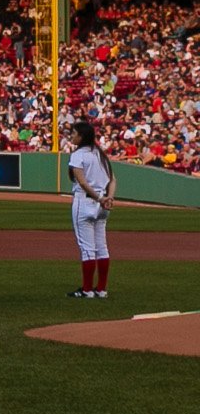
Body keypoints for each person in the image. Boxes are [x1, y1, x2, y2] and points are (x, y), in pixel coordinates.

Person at [67, 120, 114, 299]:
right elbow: (113, 179)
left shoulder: (78, 155)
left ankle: (87, 290)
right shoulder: (100, 154)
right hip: (103, 203)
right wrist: (109, 197)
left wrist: (99, 198)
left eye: (74, 133)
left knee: (87, 248)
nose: (72, 136)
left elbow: (82, 181)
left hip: (86, 201)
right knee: (102, 247)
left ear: (81, 136)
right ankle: (101, 289)